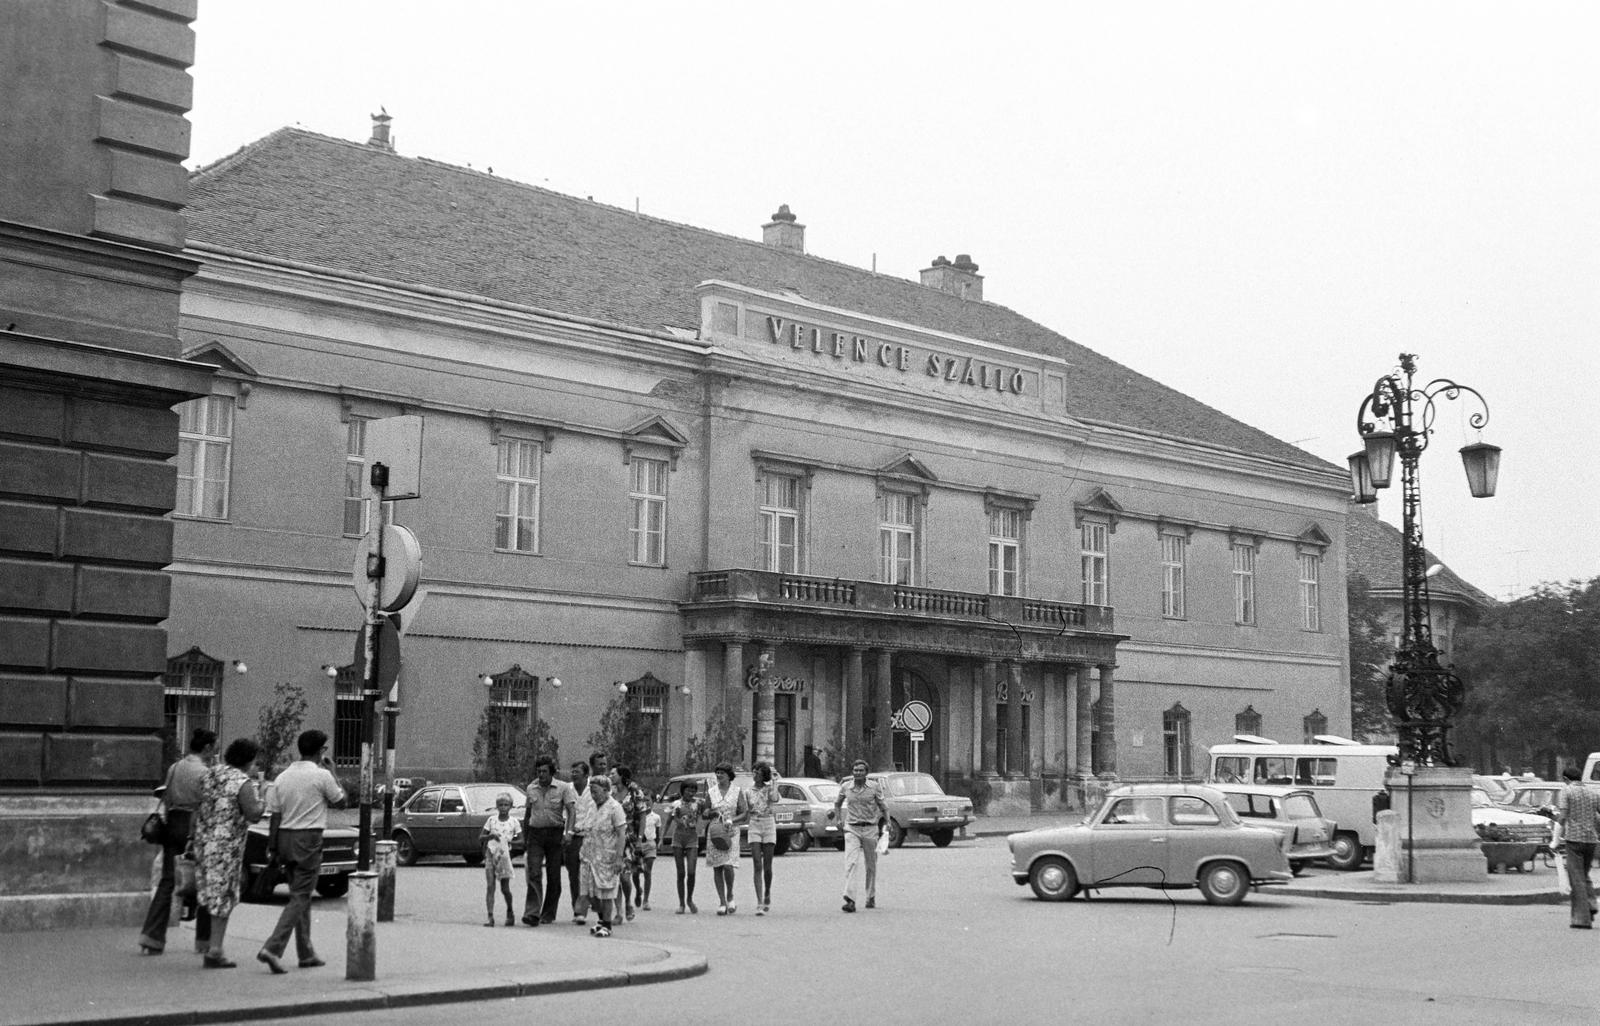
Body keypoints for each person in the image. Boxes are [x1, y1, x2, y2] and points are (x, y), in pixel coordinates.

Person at [257, 729, 346, 973]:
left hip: (284, 837)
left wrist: (272, 846)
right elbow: (342, 802)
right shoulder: (321, 775)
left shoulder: (282, 777)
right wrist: (334, 772)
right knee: (301, 896)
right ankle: (272, 947)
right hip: (308, 838)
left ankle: (305, 952)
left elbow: (275, 815)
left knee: (300, 894)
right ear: (320, 751)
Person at [139, 727, 216, 955]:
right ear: (207, 748)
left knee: (167, 882)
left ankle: (151, 936)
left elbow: (166, 797)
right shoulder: (206, 773)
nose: (214, 753)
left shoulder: (175, 767)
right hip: (195, 825)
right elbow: (207, 804)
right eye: (214, 748)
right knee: (204, 881)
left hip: (173, 823)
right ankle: (204, 940)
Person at [191, 738, 265, 968]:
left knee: (209, 893)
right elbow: (253, 814)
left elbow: (197, 805)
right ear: (248, 760)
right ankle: (215, 950)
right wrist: (262, 797)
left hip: (204, 840)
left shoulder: (210, 775)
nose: (255, 766)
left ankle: (207, 943)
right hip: (226, 847)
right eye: (255, 761)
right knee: (223, 897)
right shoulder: (242, 782)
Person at [521, 755, 575, 926]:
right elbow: (528, 814)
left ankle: (548, 913)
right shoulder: (531, 788)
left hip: (555, 834)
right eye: (538, 771)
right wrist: (525, 837)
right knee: (534, 872)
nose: (541, 775)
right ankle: (532, 913)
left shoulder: (563, 788)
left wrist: (569, 832)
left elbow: (571, 811)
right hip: (535, 835)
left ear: (552, 772)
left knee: (553, 875)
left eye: (544, 771)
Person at [829, 759, 889, 913]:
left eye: (861, 770)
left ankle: (870, 896)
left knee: (871, 865)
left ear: (866, 773)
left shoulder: (874, 787)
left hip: (870, 828)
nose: (858, 773)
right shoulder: (846, 787)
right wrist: (838, 819)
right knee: (851, 863)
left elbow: (883, 806)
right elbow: (837, 803)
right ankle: (850, 899)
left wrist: (888, 823)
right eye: (855, 770)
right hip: (852, 828)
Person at [579, 775, 627, 938]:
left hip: (607, 856)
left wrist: (619, 858)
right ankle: (601, 920)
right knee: (591, 892)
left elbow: (621, 834)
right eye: (591, 792)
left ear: (606, 790)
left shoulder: (615, 808)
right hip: (589, 856)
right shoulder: (592, 806)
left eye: (596, 792)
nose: (594, 795)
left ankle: (607, 924)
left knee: (606, 892)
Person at [1556, 765, 1600, 929]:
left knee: (1576, 878)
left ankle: (1581, 919)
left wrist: (1555, 838)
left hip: (1574, 839)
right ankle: (1591, 903)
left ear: (1566, 779)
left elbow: (1562, 816)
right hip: (1591, 840)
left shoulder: (1566, 791)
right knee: (1584, 874)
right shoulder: (1592, 793)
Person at [701, 762, 747, 915]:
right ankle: (722, 902)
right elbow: (705, 813)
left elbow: (744, 812)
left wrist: (732, 820)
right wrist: (711, 812)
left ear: (729, 775)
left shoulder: (737, 791)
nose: (719, 775)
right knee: (717, 866)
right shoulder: (711, 791)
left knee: (728, 865)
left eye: (722, 773)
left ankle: (730, 895)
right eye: (717, 772)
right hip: (715, 831)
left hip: (731, 831)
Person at [611, 764, 648, 922]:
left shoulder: (634, 791)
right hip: (611, 837)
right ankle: (618, 912)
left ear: (621, 775)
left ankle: (628, 902)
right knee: (614, 877)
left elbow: (643, 815)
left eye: (613, 773)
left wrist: (639, 838)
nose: (610, 776)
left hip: (629, 837)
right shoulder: (609, 791)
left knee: (625, 877)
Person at [481, 792, 522, 926]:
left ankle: (510, 911)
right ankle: (490, 916)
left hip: (504, 856)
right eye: (500, 805)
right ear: (497, 806)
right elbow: (481, 837)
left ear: (510, 806)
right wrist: (490, 836)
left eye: (506, 805)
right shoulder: (491, 820)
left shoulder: (513, 822)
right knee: (490, 886)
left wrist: (509, 842)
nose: (503, 807)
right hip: (491, 854)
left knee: (505, 888)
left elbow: (522, 840)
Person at [746, 761, 779, 915]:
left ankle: (767, 891)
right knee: (757, 863)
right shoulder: (748, 791)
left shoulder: (769, 789)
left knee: (767, 865)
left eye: (759, 772)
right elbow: (746, 810)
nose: (756, 775)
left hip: (768, 824)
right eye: (754, 772)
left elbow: (775, 798)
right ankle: (759, 901)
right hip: (754, 824)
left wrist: (775, 782)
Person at [564, 760, 593, 925]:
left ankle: (588, 905)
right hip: (573, 836)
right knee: (574, 874)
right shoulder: (567, 789)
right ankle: (577, 909)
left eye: (577, 772)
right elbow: (566, 812)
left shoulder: (593, 788)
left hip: (590, 836)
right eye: (572, 771)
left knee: (588, 874)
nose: (573, 775)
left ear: (586, 775)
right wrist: (567, 833)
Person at [665, 779, 701, 914]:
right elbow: (668, 821)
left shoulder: (698, 804)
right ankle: (681, 904)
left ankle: (689, 899)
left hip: (692, 838)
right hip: (678, 839)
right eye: (688, 790)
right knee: (681, 873)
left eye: (693, 791)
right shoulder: (676, 804)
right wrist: (661, 839)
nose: (691, 793)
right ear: (682, 790)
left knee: (691, 872)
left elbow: (707, 813)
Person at [635, 804, 661, 912]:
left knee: (647, 871)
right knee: (635, 872)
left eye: (648, 800)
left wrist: (658, 844)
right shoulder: (636, 815)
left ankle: (646, 900)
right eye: (644, 800)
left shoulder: (656, 817)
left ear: (652, 802)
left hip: (650, 844)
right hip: (638, 844)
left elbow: (658, 832)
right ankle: (638, 889)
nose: (646, 803)